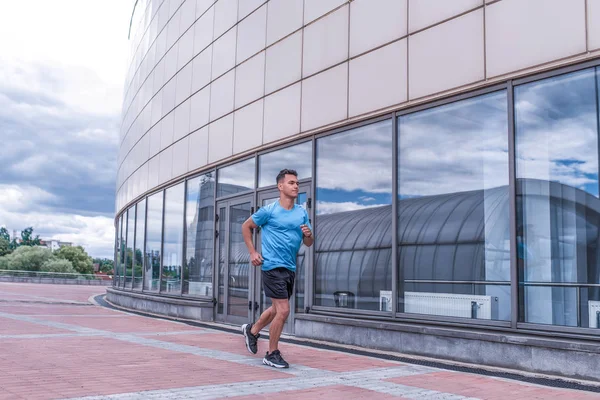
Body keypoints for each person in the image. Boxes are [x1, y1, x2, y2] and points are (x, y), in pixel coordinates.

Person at [240, 168, 313, 368]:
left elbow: (309, 242)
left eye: (297, 183)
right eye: (291, 183)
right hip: (271, 266)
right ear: (280, 186)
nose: (296, 186)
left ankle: (252, 331)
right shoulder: (269, 211)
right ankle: (271, 353)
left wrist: (307, 234)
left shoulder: (301, 212)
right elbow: (246, 227)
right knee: (283, 310)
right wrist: (253, 252)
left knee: (275, 309)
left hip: (289, 267)